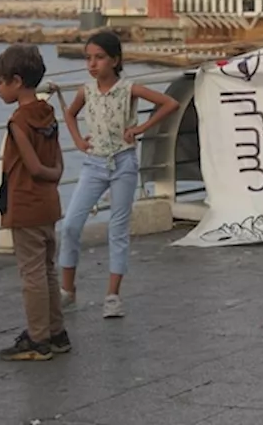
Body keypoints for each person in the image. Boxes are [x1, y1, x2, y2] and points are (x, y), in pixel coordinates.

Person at [51, 31, 180, 318]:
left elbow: (170, 103)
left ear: (115, 60)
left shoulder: (128, 88)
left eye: (99, 58)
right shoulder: (85, 91)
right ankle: (67, 290)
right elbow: (70, 115)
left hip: (123, 163)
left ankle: (112, 296)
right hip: (93, 165)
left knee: (118, 229)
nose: (92, 64)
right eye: (88, 58)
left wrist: (140, 128)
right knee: (71, 224)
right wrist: (77, 141)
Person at [0, 45, 72, 361]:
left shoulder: (18, 121)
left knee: (31, 274)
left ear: (16, 81)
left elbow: (32, 166)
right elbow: (55, 162)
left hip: (25, 203)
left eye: (0, 82)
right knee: (48, 269)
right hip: (48, 203)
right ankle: (56, 331)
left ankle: (38, 339)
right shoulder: (47, 113)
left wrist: (44, 173)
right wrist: (56, 175)